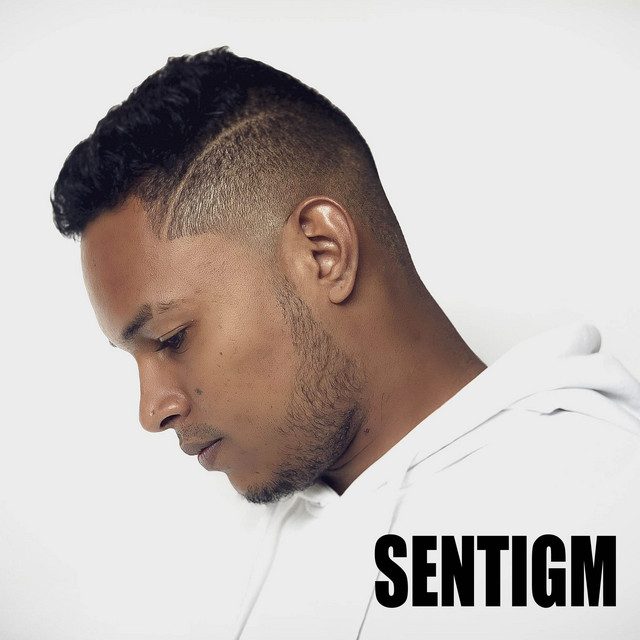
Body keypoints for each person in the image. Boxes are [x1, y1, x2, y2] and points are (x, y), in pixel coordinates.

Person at [52, 47, 640, 638]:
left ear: (322, 253)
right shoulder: (220, 548)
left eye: (172, 338)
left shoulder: (608, 511)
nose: (152, 411)